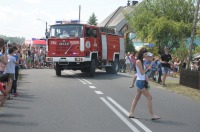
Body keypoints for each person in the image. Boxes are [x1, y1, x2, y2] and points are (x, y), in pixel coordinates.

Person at [128, 47, 160, 120]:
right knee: (149, 97)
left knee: (136, 98)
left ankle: (131, 113)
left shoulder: (141, 61)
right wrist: (148, 69)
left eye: (146, 54)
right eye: (145, 54)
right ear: (141, 54)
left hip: (141, 81)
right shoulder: (138, 61)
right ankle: (152, 115)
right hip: (140, 82)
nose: (146, 55)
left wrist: (149, 66)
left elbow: (144, 70)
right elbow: (142, 72)